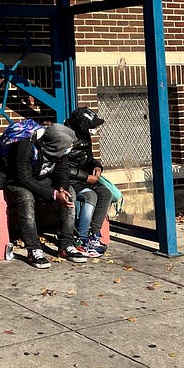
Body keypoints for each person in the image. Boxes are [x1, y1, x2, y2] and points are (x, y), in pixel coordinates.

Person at [0, 122, 88, 269]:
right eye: (67, 147)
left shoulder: (59, 149)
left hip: (38, 178)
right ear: (54, 145)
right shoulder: (26, 146)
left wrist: (62, 189)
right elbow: (24, 179)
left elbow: (62, 171)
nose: (68, 150)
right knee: (26, 197)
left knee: (71, 193)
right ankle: (33, 249)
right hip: (14, 179)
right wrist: (54, 194)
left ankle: (66, 245)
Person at [65, 107, 112, 257]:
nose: (94, 129)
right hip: (70, 180)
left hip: (85, 177)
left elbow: (89, 159)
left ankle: (93, 234)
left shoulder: (85, 135)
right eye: (91, 126)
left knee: (105, 193)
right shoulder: (65, 137)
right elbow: (62, 168)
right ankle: (82, 238)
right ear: (82, 124)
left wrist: (97, 167)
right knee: (91, 196)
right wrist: (86, 178)